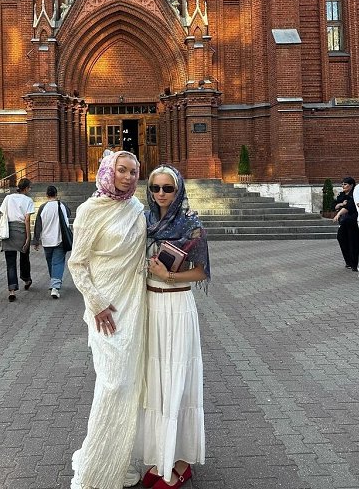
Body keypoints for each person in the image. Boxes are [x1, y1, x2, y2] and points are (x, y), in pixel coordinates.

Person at [68, 151, 147, 489]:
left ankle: (118, 461)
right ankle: (95, 470)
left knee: (129, 385)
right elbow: (77, 263)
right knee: (112, 384)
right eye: (122, 170)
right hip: (105, 311)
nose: (128, 177)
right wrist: (97, 303)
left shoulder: (137, 208)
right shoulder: (90, 210)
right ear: (107, 172)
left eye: (133, 171)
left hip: (134, 306)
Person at [136, 165, 210, 489]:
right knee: (156, 382)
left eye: (168, 188)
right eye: (155, 188)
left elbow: (202, 272)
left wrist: (167, 275)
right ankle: (161, 455)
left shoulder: (192, 224)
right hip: (151, 307)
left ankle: (181, 462)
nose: (161, 194)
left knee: (178, 380)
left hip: (177, 306)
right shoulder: (144, 221)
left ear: (178, 190)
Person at [0, 178, 35, 301]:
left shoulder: (8, 198)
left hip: (9, 231)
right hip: (21, 230)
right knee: (24, 257)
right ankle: (26, 279)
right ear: (26, 188)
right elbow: (27, 219)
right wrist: (28, 237)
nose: (30, 190)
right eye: (29, 187)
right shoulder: (28, 200)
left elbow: (3, 213)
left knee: (10, 262)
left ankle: (12, 290)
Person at [33, 185, 71, 299]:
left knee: (50, 262)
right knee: (57, 263)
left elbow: (38, 224)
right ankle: (55, 286)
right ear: (56, 194)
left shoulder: (42, 207)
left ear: (46, 195)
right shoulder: (62, 205)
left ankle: (54, 282)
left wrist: (36, 240)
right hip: (60, 239)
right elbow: (68, 215)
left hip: (46, 240)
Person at [332, 177, 359, 271]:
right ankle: (348, 261)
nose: (343, 186)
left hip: (353, 221)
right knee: (341, 238)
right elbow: (335, 205)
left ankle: (354, 263)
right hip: (344, 221)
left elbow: (349, 207)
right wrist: (341, 204)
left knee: (353, 241)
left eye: (345, 184)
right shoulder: (341, 195)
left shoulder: (354, 194)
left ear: (351, 185)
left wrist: (339, 213)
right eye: (342, 184)